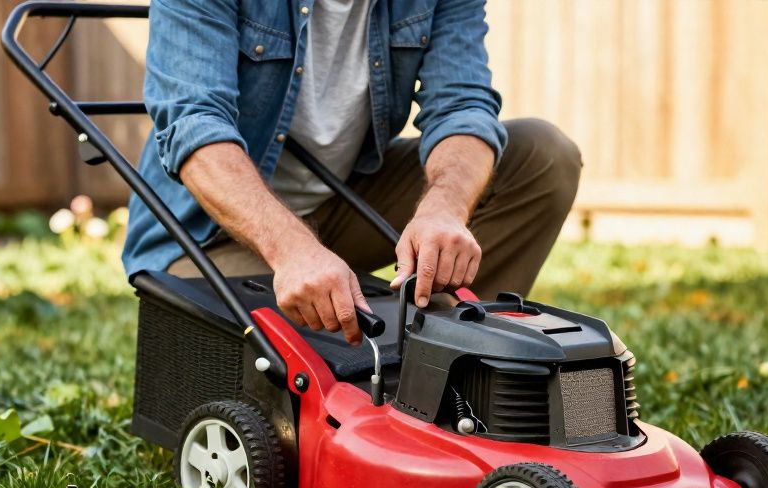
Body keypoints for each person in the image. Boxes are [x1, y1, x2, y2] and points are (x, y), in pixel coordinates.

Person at [122, 0, 581, 346]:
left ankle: (461, 348)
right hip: (207, 232)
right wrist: (293, 251)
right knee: (321, 357)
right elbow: (195, 127)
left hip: (342, 196)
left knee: (542, 157)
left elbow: (463, 105)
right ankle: (398, 351)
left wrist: (444, 209)